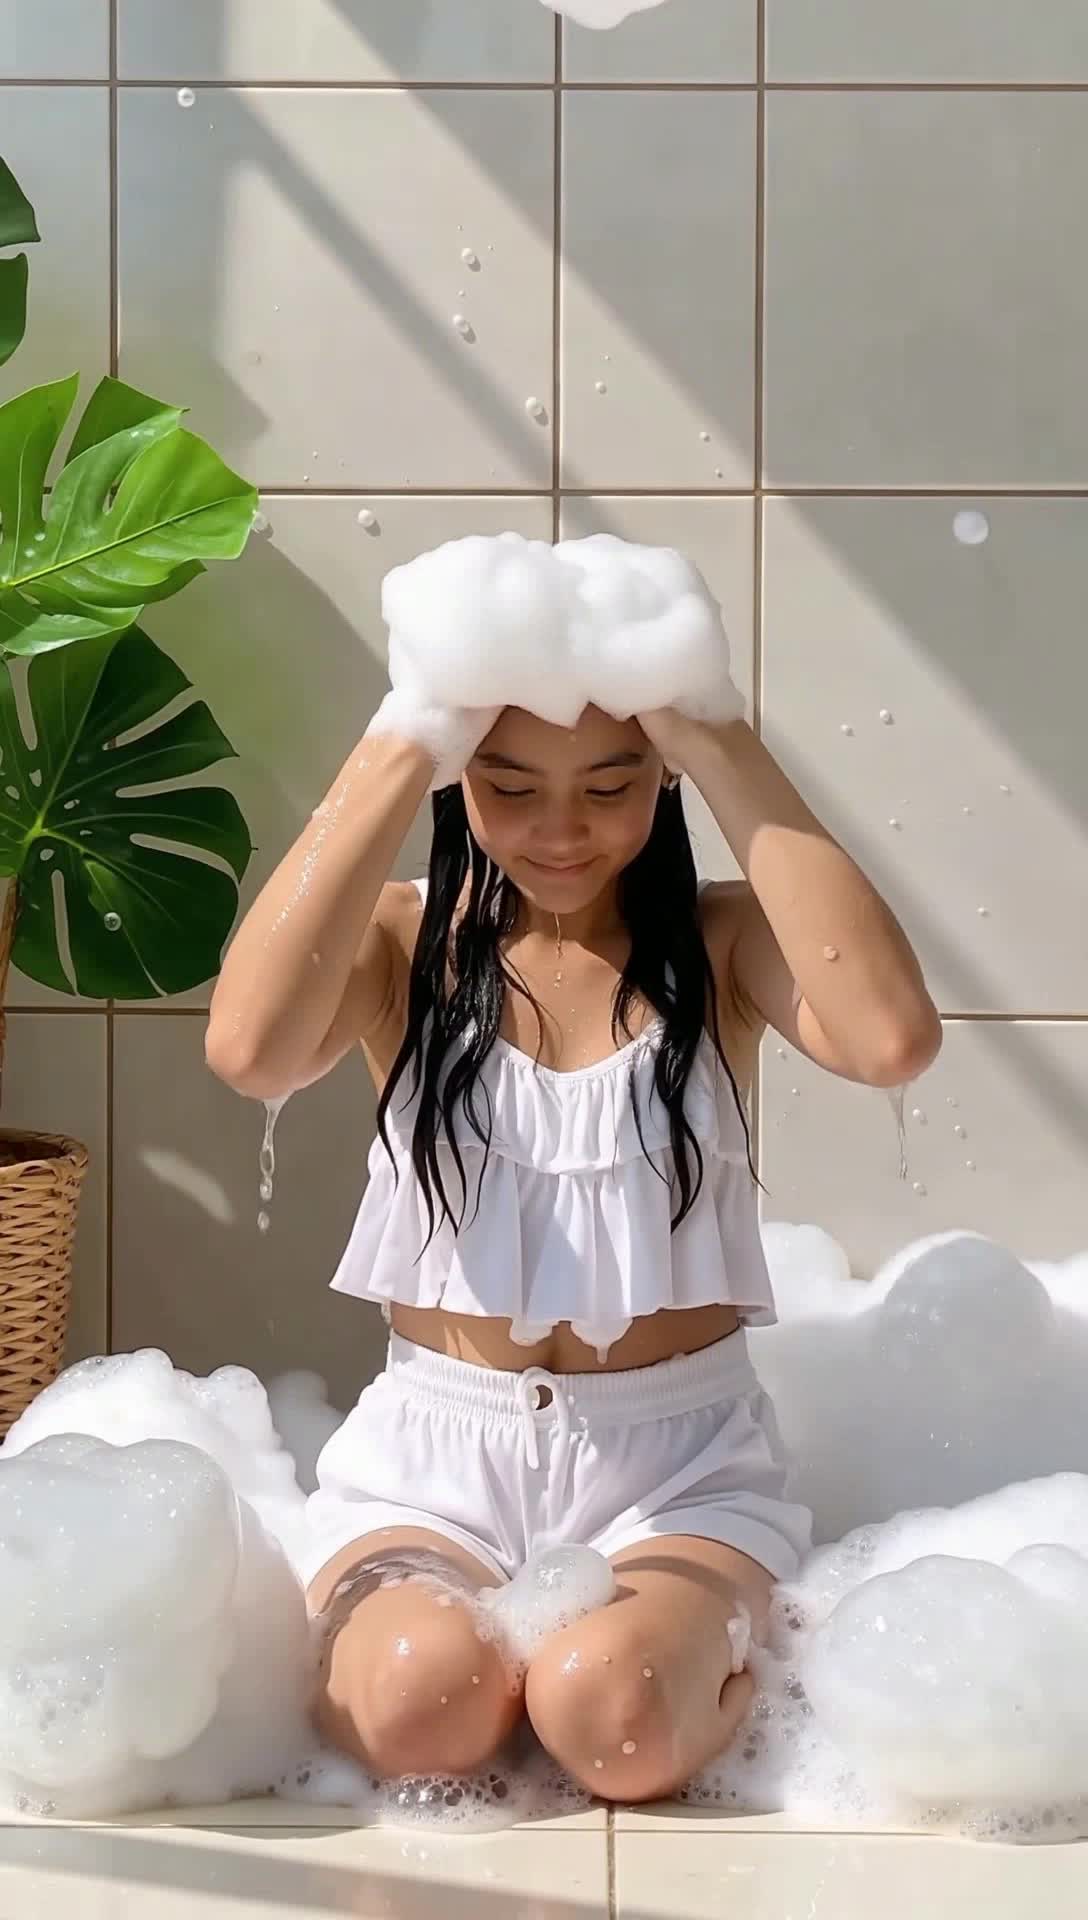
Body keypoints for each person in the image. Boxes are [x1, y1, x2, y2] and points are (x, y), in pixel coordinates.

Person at [207, 652, 940, 1803]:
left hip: (679, 1470)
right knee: (412, 1706)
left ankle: (681, 1665)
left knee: (616, 1718)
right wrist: (402, 739)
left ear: (661, 777)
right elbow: (248, 1052)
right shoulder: (402, 943)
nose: (560, 830)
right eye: (507, 786)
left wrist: (719, 738)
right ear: (457, 779)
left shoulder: (717, 946)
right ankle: (528, 1678)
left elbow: (890, 1038)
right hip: (430, 1470)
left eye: (610, 786)